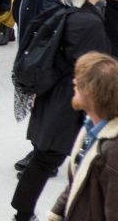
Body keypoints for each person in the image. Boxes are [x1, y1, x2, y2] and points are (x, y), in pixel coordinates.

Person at [11, 0, 113, 220]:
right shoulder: (87, 22)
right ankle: (24, 213)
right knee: (50, 158)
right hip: (68, 102)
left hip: (55, 95)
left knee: (45, 156)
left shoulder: (66, 10)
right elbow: (93, 67)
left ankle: (22, 211)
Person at [49, 50, 118, 219]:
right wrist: (55, 214)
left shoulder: (113, 150)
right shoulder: (91, 128)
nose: (74, 81)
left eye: (79, 81)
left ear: (92, 92)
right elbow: (77, 183)